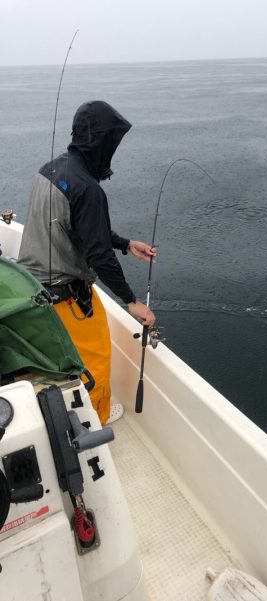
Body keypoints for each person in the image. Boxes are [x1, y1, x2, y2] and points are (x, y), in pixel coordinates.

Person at [18, 100, 156, 425]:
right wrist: (132, 302)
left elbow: (80, 226)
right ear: (101, 142)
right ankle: (96, 421)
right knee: (95, 359)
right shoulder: (88, 189)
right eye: (112, 142)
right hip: (66, 299)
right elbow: (99, 256)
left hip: (35, 293)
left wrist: (125, 244)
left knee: (60, 362)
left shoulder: (49, 170)